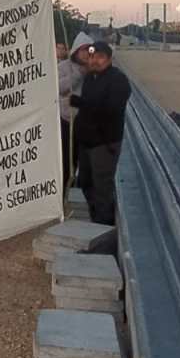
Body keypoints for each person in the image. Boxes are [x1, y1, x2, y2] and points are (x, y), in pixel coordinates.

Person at [70, 42, 132, 226]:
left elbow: (111, 109)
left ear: (109, 59)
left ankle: (104, 226)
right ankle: (95, 217)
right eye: (91, 56)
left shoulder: (118, 80)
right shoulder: (91, 77)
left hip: (105, 143)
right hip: (87, 141)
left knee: (102, 186)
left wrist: (81, 104)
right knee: (86, 183)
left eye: (99, 57)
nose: (94, 60)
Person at [57, 33, 94, 189]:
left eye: (89, 50)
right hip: (66, 122)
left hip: (86, 125)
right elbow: (58, 88)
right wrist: (79, 74)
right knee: (66, 164)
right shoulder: (63, 67)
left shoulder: (95, 69)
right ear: (77, 50)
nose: (87, 53)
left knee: (86, 166)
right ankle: (63, 199)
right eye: (84, 49)